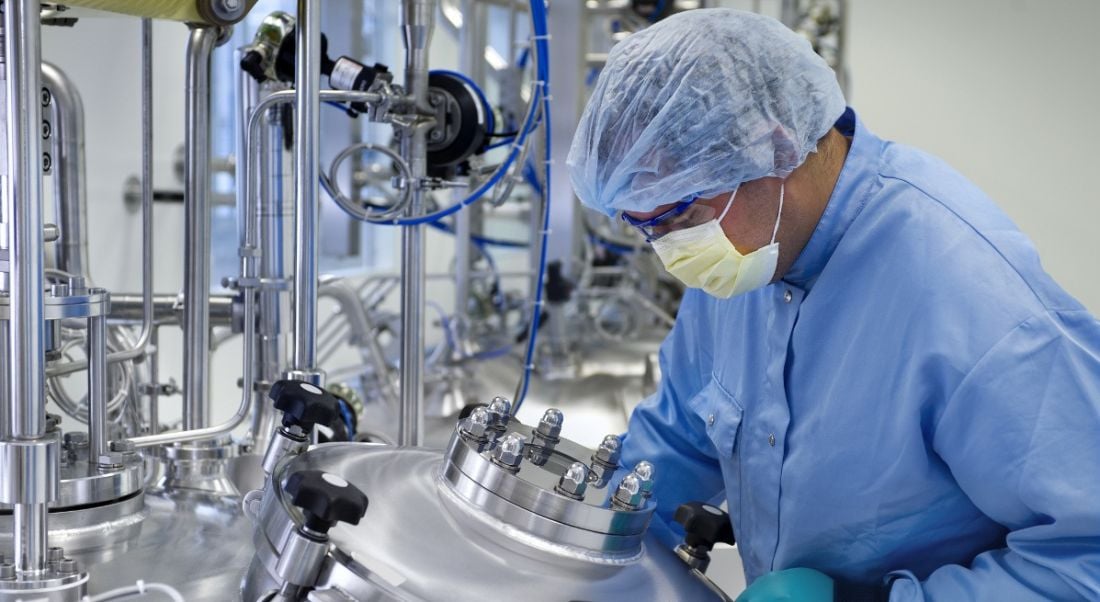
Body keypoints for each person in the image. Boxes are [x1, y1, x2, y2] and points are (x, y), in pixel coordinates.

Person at [566, 8, 1100, 602]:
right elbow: (676, 442)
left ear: (774, 149)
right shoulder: (745, 262)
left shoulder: (972, 302)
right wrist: (585, 554)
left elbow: (1087, 557)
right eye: (645, 229)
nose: (671, 252)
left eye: (681, 216)